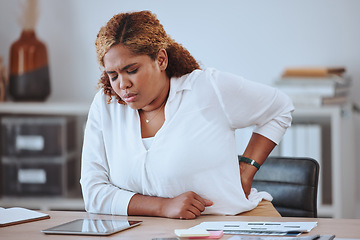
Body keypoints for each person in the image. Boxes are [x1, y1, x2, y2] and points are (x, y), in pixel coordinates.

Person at [80, 10, 294, 220]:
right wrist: (163, 207)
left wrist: (248, 168)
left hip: (233, 222)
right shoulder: (105, 105)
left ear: (161, 59)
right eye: (113, 75)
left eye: (132, 70)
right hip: (154, 229)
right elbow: (93, 193)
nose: (123, 84)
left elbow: (280, 107)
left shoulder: (207, 89)